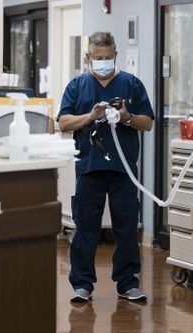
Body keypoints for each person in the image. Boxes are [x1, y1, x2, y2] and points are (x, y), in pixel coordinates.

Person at [57, 31, 154, 302]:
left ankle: (127, 283)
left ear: (116, 56)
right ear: (88, 57)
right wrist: (91, 116)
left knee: (126, 228)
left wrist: (126, 117)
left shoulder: (131, 84)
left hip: (123, 171)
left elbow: (147, 122)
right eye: (98, 58)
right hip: (89, 169)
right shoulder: (77, 86)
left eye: (108, 58)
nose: (103, 62)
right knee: (86, 229)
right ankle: (83, 284)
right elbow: (63, 123)